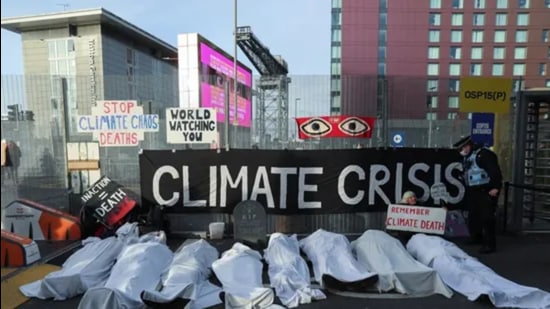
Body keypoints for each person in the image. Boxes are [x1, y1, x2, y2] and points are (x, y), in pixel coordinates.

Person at [453, 135, 502, 254]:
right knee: (474, 216)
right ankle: (476, 237)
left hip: (485, 190)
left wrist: (496, 187)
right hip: (474, 190)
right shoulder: (469, 157)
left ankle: (490, 244)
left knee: (487, 217)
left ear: (468, 146)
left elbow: (495, 172)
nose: (461, 152)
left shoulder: (484, 155)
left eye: (462, 148)